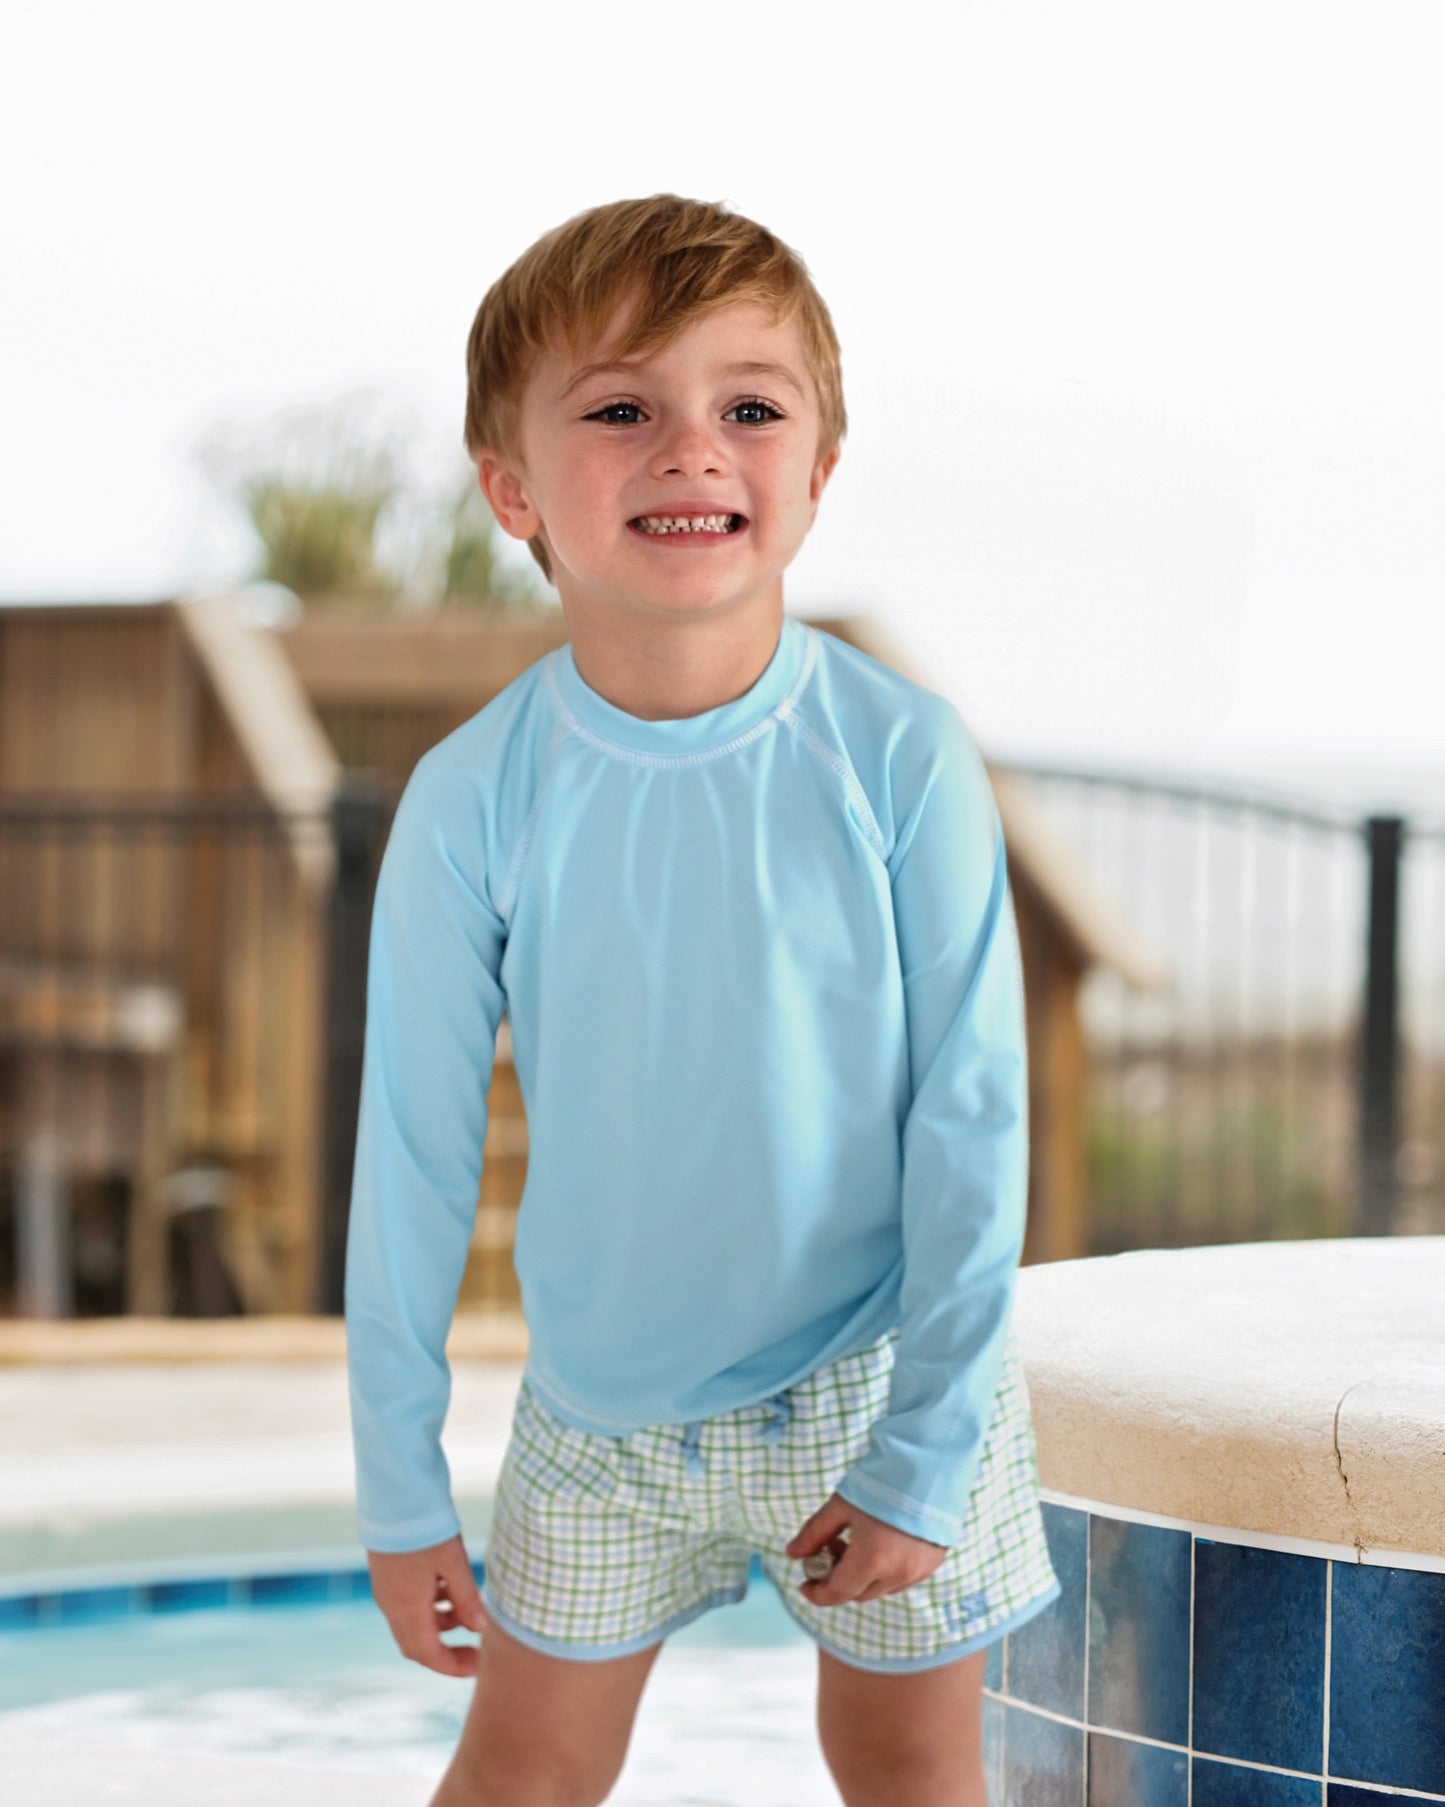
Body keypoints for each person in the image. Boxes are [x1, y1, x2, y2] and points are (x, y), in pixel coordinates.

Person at [344, 193, 1060, 1807]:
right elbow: (410, 1153)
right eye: (621, 409)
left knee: (907, 1776)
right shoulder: (474, 800)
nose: (690, 448)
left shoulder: (900, 757)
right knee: (518, 1773)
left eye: (748, 407)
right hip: (602, 1414)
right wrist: (401, 1494)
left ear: (814, 472)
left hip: (881, 1371)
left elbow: (971, 1117)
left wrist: (927, 1449)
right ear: (512, 487)